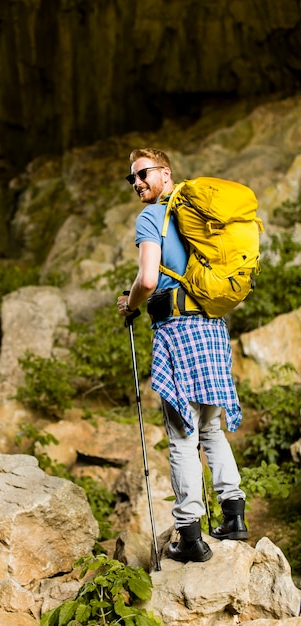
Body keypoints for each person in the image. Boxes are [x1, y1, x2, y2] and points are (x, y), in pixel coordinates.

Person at [118, 148, 248, 563]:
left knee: (182, 436)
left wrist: (130, 303)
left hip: (178, 330)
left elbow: (149, 277)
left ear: (165, 173)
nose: (137, 182)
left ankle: (189, 536)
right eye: (131, 178)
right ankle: (233, 516)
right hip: (211, 330)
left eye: (142, 174)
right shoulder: (198, 219)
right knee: (210, 430)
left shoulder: (152, 217)